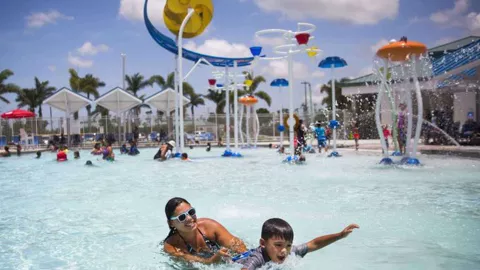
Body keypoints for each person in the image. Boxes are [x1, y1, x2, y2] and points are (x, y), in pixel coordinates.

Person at [237, 218, 359, 270]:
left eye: (288, 245)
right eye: (278, 245)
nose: (284, 250)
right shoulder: (257, 258)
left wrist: (340, 235)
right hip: (234, 260)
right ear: (263, 243)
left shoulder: (291, 253)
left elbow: (314, 244)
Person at [163, 197, 247, 264]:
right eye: (182, 217)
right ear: (171, 223)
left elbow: (237, 245)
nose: (189, 218)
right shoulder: (172, 247)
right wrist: (213, 260)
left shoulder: (209, 226)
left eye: (191, 212)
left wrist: (244, 255)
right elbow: (201, 263)